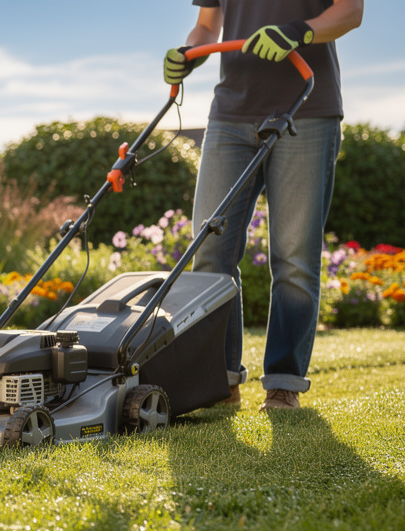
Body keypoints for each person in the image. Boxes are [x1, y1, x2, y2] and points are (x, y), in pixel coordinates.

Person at [164, 0, 363, 410]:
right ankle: (220, 381)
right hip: (230, 112)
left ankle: (283, 382)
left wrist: (299, 31)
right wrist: (188, 54)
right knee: (209, 252)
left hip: (308, 107)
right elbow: (206, 25)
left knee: (294, 256)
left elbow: (350, 12)